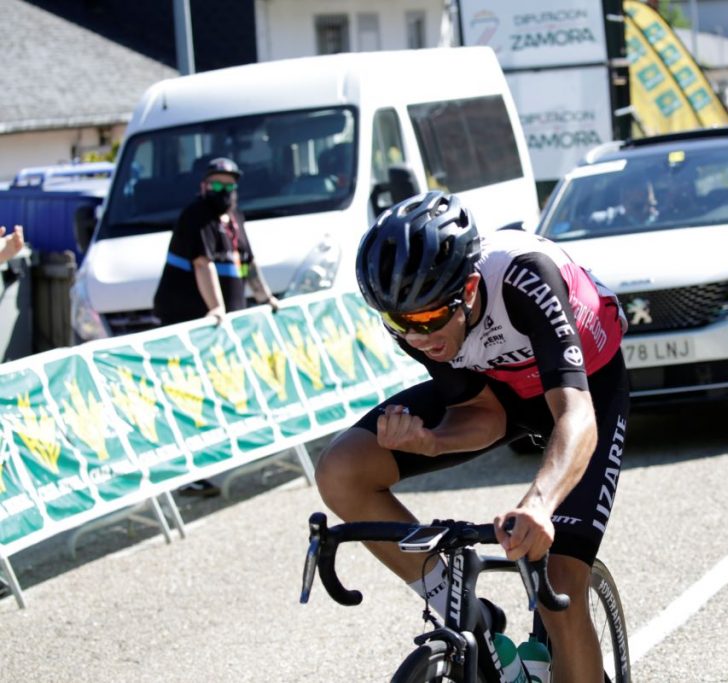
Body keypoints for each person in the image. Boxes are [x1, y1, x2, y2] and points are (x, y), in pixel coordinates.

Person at [316, 191, 630, 681]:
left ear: (466, 287)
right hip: (503, 391)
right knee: (342, 471)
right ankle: (464, 609)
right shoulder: (414, 317)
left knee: (562, 587)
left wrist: (539, 505)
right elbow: (484, 415)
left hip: (584, 390)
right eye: (399, 323)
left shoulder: (525, 277)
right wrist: (432, 441)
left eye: (427, 319)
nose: (417, 338)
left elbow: (574, 415)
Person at [153, 157, 279, 497]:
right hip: (191, 322)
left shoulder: (235, 218)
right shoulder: (195, 216)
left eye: (230, 186)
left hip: (221, 327)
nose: (224, 192)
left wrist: (266, 298)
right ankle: (187, 474)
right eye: (217, 185)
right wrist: (217, 309)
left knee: (222, 390)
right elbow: (202, 264)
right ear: (204, 186)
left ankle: (221, 459)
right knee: (190, 396)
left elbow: (248, 264)